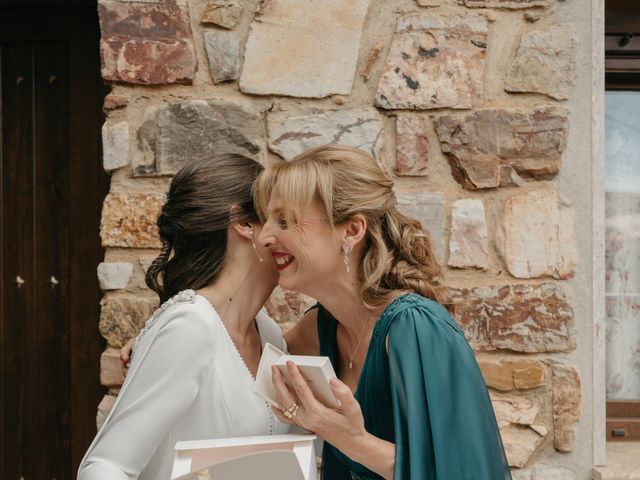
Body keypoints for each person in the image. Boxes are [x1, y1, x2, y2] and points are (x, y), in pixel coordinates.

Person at [254, 144, 512, 480]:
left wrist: (353, 440)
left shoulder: (416, 328)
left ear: (351, 230)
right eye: (265, 221)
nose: (263, 237)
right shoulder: (317, 328)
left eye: (285, 220)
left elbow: (465, 472)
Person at [77, 153, 289, 480]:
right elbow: (104, 467)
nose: (289, 234)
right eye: (278, 218)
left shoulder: (270, 334)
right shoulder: (190, 326)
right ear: (245, 224)